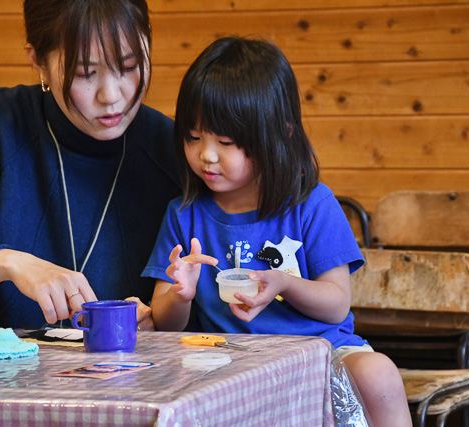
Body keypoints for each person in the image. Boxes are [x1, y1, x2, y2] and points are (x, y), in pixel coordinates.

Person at [142, 37, 411, 426]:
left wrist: (284, 284)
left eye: (226, 141)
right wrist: (180, 295)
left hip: (319, 353)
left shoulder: (312, 204)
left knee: (379, 374)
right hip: (228, 360)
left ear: (279, 134)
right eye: (193, 136)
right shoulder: (183, 214)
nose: (206, 155)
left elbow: (337, 304)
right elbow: (165, 324)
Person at [0, 0, 180, 330]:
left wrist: (164, 319)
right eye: (85, 73)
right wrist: (10, 263)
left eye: (128, 67)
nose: (111, 96)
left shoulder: (176, 148)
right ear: (39, 61)